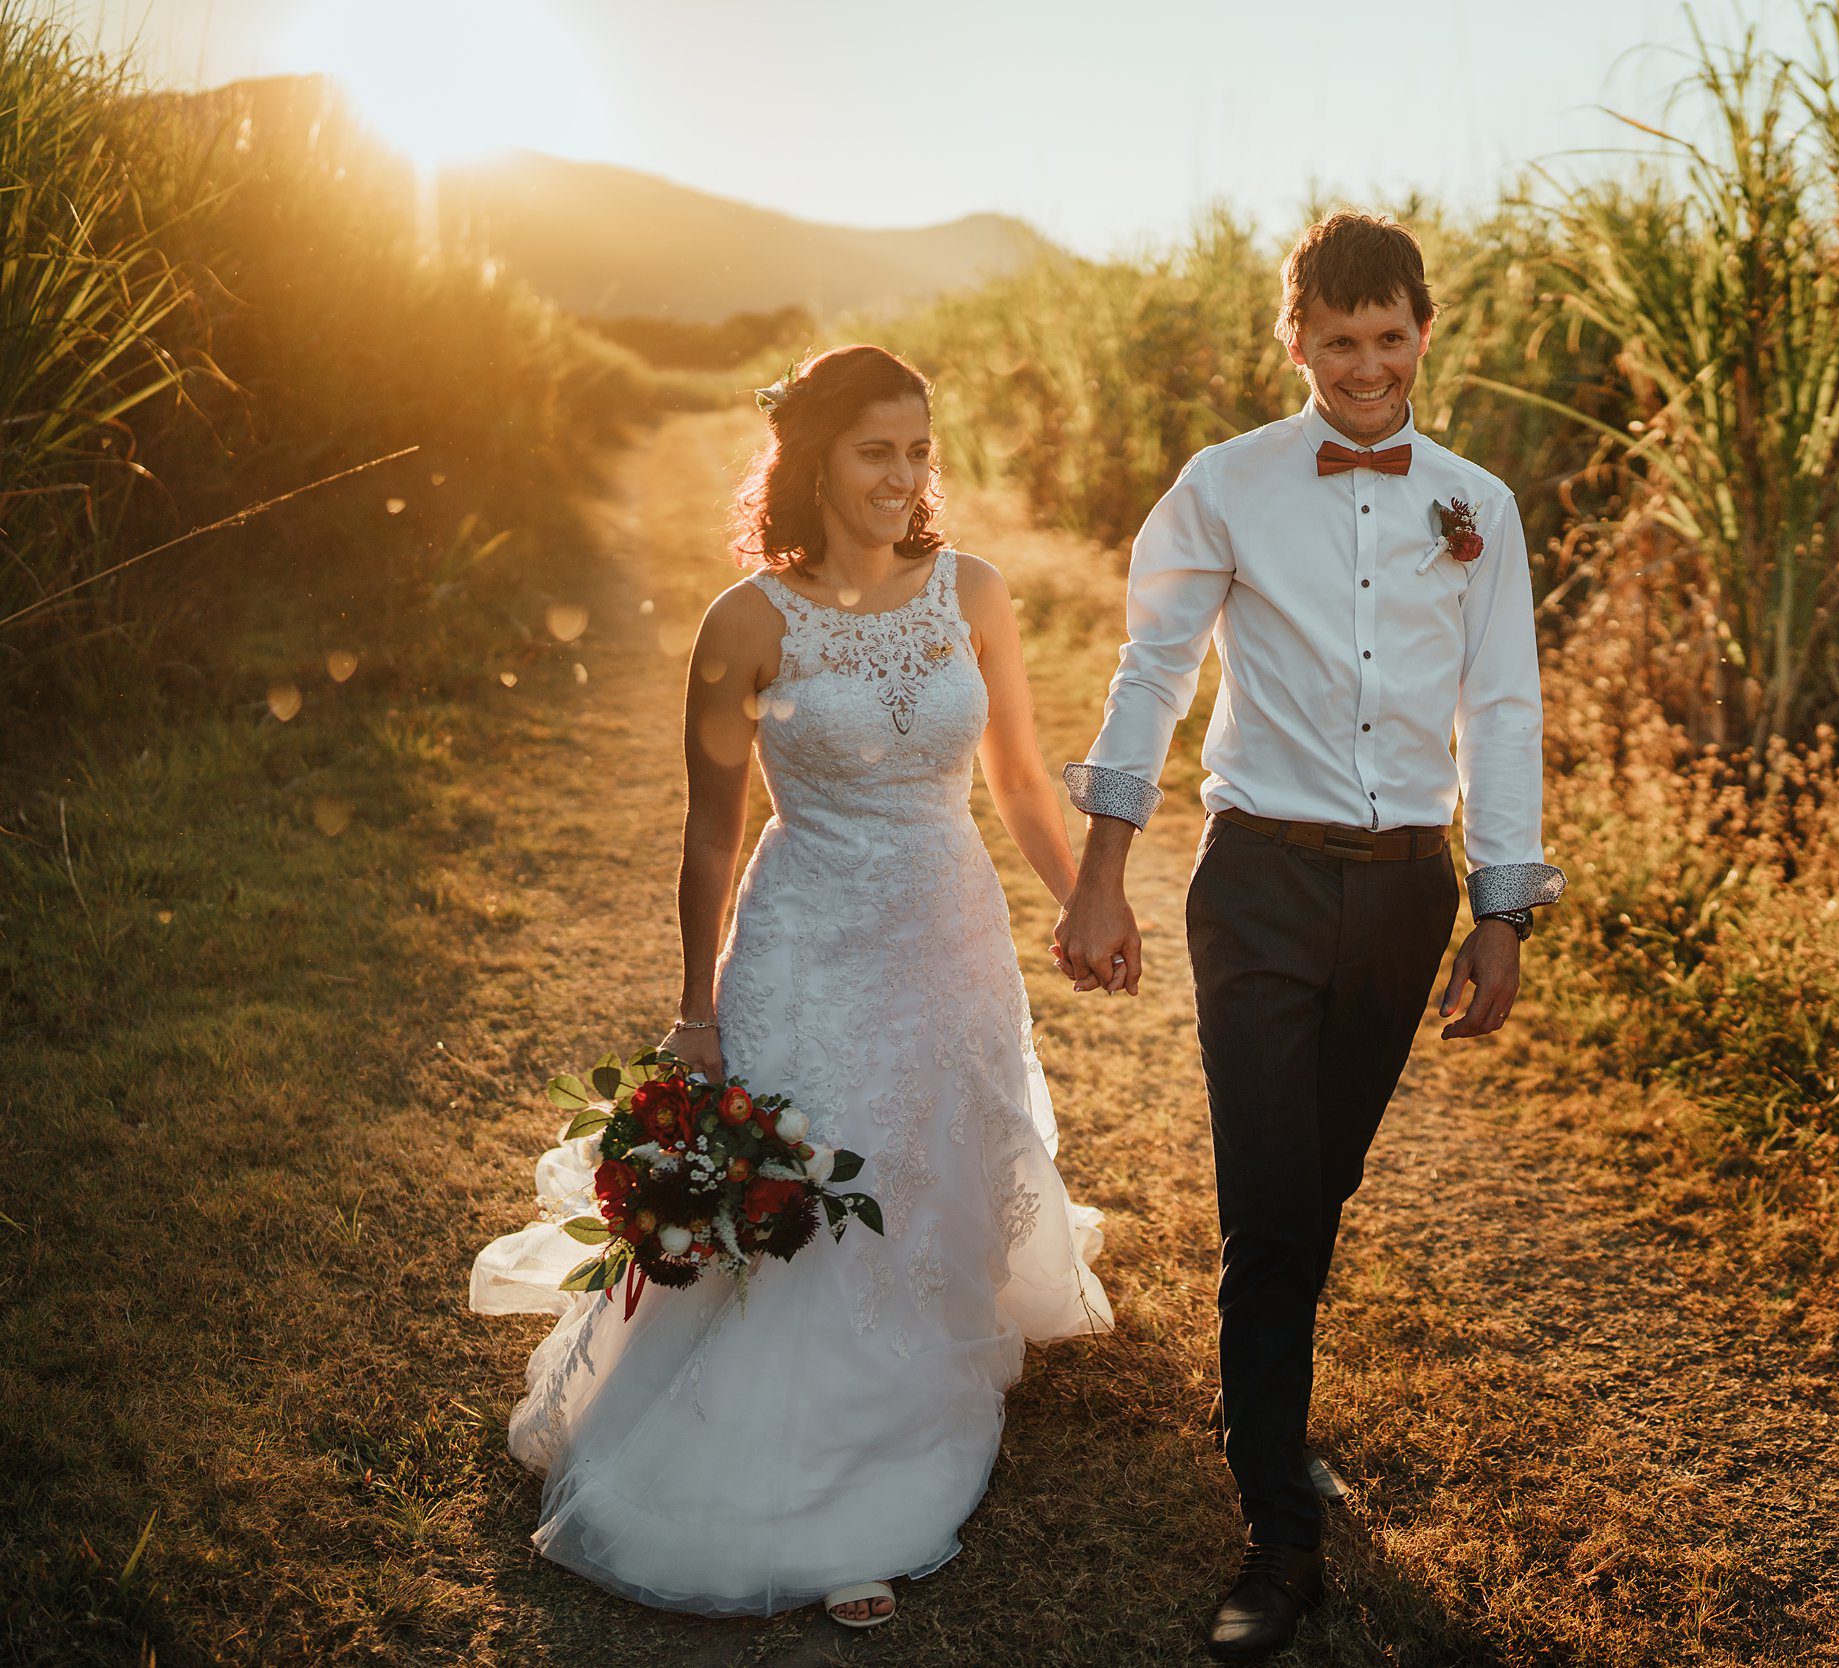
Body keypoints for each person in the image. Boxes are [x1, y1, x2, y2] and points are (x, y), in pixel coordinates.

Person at [468, 344, 1112, 1628]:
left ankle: (925, 1365)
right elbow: (711, 833)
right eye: (877, 449)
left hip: (949, 936)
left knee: (934, 1159)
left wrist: (1083, 896)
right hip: (807, 942)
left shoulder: (972, 593)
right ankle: (795, 1451)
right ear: (811, 457)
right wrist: (697, 1012)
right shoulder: (746, 622)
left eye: (919, 449)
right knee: (813, 1194)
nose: (903, 475)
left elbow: (1023, 783)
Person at [1051, 212, 1564, 1661]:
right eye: (1337, 342)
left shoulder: (1478, 504)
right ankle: (1280, 1527)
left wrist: (1502, 910)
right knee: (1272, 1204)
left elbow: (1500, 709)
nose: (1366, 368)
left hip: (1408, 890)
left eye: (1390, 339)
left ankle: (1256, 1403)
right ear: (1295, 341)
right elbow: (1151, 672)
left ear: (1422, 335)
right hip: (1258, 880)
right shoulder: (1223, 488)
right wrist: (1104, 875)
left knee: (1317, 1185)